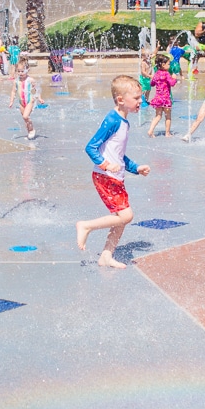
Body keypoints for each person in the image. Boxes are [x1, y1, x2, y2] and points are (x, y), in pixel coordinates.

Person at [76, 74, 150, 269]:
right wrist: (106, 165)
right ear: (120, 100)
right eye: (136, 98)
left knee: (121, 220)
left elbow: (119, 155)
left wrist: (135, 168)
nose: (140, 101)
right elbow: (91, 147)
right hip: (105, 176)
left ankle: (106, 255)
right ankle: (86, 226)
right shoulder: (112, 120)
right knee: (126, 216)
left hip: (115, 176)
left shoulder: (124, 122)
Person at [147, 53, 177, 137]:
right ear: (163, 65)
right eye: (168, 64)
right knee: (168, 117)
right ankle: (167, 133)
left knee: (158, 116)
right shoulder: (166, 74)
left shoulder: (156, 74)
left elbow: (152, 84)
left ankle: (150, 130)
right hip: (166, 98)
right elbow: (172, 83)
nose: (169, 66)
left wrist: (153, 79)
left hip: (158, 98)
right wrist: (174, 78)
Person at [9, 60, 37, 140]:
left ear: (27, 70)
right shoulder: (16, 81)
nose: (20, 73)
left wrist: (38, 98)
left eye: (22, 71)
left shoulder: (30, 80)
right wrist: (11, 101)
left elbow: (35, 90)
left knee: (25, 116)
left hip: (29, 101)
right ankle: (29, 133)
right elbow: (13, 91)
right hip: (21, 103)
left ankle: (32, 129)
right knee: (25, 120)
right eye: (19, 71)